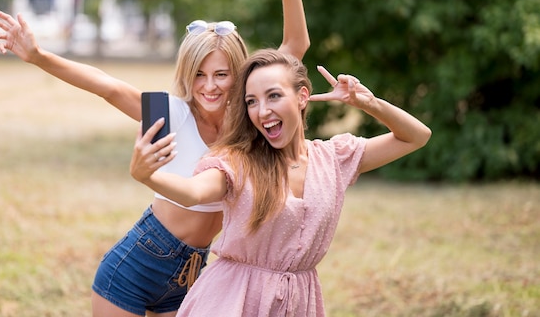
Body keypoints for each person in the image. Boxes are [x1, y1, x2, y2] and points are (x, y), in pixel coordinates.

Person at [0, 0, 310, 317]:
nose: (208, 86)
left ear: (238, 75)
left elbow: (295, 48)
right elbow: (107, 86)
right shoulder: (170, 112)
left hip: (192, 275)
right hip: (134, 266)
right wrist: (39, 56)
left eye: (221, 75)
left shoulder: (248, 122)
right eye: (198, 74)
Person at [131, 49, 432, 316]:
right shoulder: (238, 161)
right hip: (232, 301)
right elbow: (194, 192)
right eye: (252, 101)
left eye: (273, 96)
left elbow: (417, 137)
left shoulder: (334, 158)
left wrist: (370, 104)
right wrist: (149, 176)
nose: (262, 111)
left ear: (301, 97)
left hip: (300, 302)